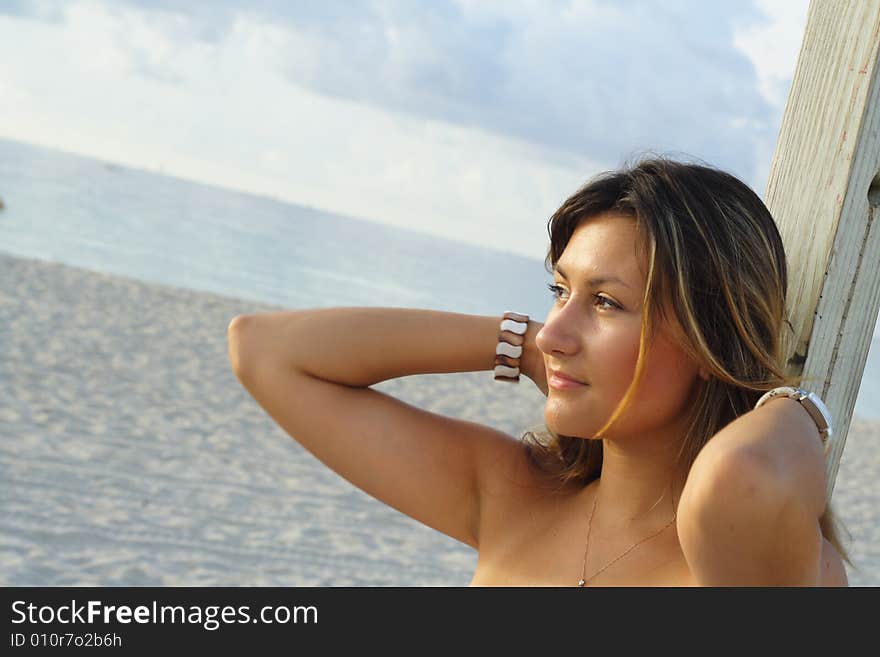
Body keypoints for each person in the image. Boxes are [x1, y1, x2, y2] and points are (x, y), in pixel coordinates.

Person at [227, 156, 850, 586]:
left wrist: (800, 408)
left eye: (606, 302)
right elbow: (265, 350)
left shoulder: (749, 557)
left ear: (710, 337)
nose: (554, 331)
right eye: (559, 290)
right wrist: (521, 346)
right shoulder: (512, 494)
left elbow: (739, 478)